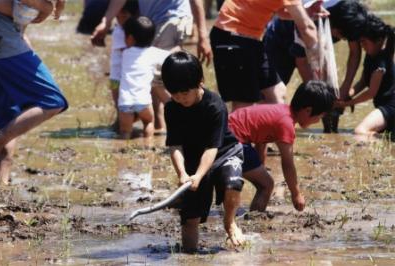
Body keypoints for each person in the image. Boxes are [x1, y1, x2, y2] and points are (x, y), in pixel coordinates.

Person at [162, 51, 245, 252]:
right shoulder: (171, 108)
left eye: (185, 93)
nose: (181, 99)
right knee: (190, 218)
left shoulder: (215, 105)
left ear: (200, 82)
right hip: (193, 157)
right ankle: (189, 254)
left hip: (224, 152)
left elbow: (212, 148)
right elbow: (175, 146)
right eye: (175, 94)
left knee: (232, 183)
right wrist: (183, 174)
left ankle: (229, 221)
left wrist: (199, 175)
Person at [91, 0, 212, 133]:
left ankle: (190, 115)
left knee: (165, 73)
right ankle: (165, 123)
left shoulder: (124, 47)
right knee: (157, 76)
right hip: (150, 21)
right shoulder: (141, 48)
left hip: (171, 18)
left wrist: (203, 35)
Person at [228, 81, 336, 211]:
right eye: (319, 116)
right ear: (308, 110)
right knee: (267, 185)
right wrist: (296, 194)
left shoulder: (280, 111)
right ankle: (254, 220)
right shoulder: (286, 124)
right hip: (233, 140)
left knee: (260, 179)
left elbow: (260, 137)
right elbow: (288, 164)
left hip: (226, 131)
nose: (317, 121)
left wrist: (259, 165)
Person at [263, 0, 368, 131]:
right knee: (273, 92)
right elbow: (302, 62)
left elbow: (354, 53)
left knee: (329, 90)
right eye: (341, 36)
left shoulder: (351, 17)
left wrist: (344, 90)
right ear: (334, 25)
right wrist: (320, 98)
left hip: (310, 41)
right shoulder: (312, 20)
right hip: (280, 42)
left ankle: (329, 131)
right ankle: (263, 136)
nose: (343, 39)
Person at [0, 0, 68, 185]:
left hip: (9, 35)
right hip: (2, 39)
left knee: (9, 113)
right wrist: (46, 8)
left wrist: (54, 6)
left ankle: (2, 183)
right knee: (52, 101)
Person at [210, 0, 322, 111]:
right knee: (244, 104)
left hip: (251, 39)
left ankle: (266, 127)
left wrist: (307, 13)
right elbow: (307, 28)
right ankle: (227, 126)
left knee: (277, 95)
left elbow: (281, 13)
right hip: (231, 35)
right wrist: (319, 59)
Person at [335, 14, 395, 140]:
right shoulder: (370, 56)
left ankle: (389, 140)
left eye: (364, 42)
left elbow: (371, 93)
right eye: (361, 41)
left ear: (378, 41)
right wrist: (348, 95)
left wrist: (348, 103)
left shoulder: (381, 63)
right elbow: (363, 81)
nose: (362, 46)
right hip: (384, 107)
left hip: (390, 107)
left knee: (360, 132)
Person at [118, 16, 170, 139]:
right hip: (143, 100)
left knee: (125, 131)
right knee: (148, 122)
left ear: (130, 38)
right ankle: (148, 147)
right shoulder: (153, 53)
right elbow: (168, 56)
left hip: (125, 101)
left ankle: (123, 151)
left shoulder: (125, 54)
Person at [108, 0, 139, 124]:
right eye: (118, 14)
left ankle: (123, 127)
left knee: (124, 106)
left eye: (124, 14)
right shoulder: (119, 30)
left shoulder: (125, 31)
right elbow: (126, 50)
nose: (120, 17)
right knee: (120, 106)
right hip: (116, 77)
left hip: (121, 77)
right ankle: (122, 126)